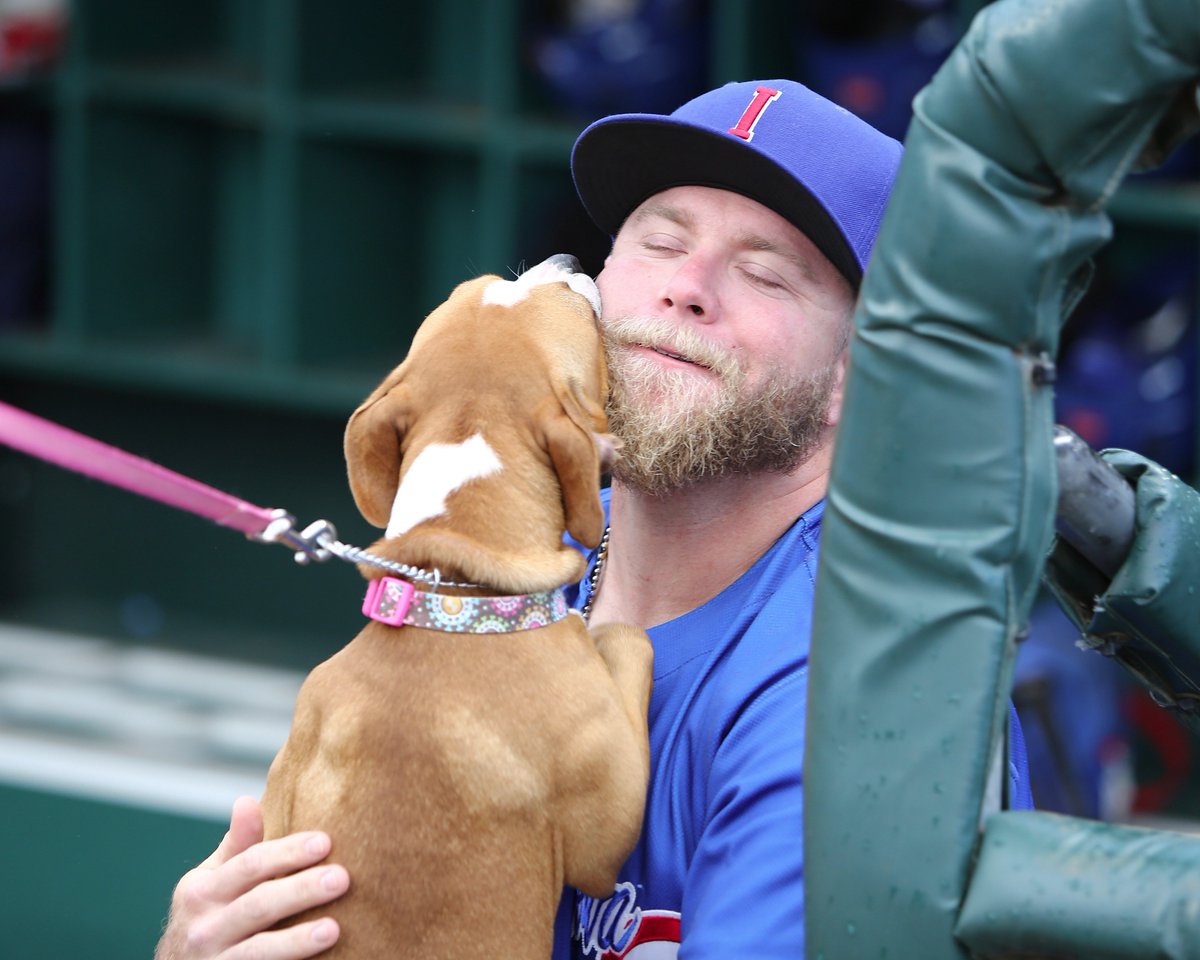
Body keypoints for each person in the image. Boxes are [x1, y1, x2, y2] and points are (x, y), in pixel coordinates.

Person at [155, 78, 1033, 960]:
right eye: (658, 240)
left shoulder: (869, 687)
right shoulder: (505, 565)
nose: (686, 288)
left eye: (766, 272)